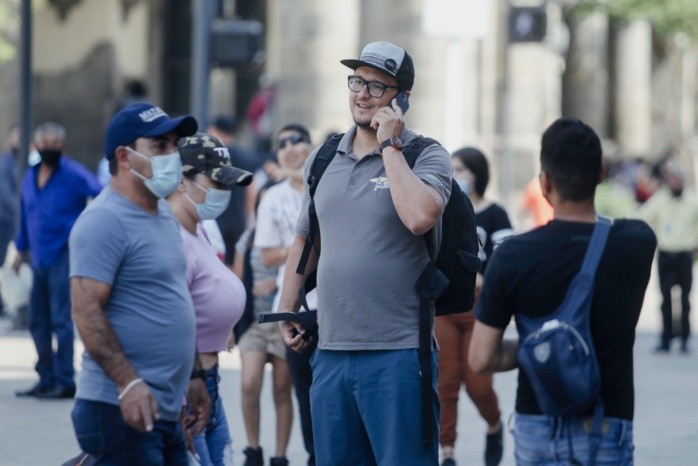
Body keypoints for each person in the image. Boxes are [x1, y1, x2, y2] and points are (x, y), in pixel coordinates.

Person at [276, 41, 452, 465]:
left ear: (402, 98)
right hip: (330, 351)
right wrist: (286, 307)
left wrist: (390, 147)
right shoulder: (323, 157)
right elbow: (307, 237)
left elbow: (419, 217)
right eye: (357, 82)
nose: (362, 94)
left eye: (377, 86)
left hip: (398, 354)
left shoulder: (426, 155)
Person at [469, 117, 657, 464]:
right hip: (606, 423)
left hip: (537, 425)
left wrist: (543, 346)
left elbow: (481, 358)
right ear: (601, 172)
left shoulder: (512, 255)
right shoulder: (637, 242)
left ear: (544, 183)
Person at [68, 102, 210, 464]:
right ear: (124, 156)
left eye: (174, 145)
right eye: (160, 146)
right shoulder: (104, 220)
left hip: (163, 408)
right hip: (120, 407)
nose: (172, 155)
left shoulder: (163, 213)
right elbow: (86, 312)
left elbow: (173, 297)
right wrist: (127, 383)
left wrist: (193, 375)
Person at [168, 133, 253, 465]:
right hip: (185, 391)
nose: (223, 192)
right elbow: (168, 323)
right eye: (214, 182)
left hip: (207, 385)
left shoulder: (198, 228)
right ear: (181, 181)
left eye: (226, 184)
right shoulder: (171, 238)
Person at [237, 123, 314, 466]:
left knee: (301, 388)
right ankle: (259, 451)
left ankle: (286, 456)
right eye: (281, 144)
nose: (289, 148)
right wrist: (305, 247)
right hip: (290, 305)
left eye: (297, 140)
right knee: (263, 384)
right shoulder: (273, 196)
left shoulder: (329, 182)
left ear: (312, 146)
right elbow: (265, 255)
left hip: (334, 299)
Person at [13, 122, 102, 399]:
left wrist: (80, 230)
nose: (49, 149)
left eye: (54, 144)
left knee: (61, 320)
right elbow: (26, 215)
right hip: (38, 257)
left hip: (63, 255)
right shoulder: (30, 176)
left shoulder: (74, 174)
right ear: (35, 146)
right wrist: (19, 249)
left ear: (63, 147)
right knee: (37, 320)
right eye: (44, 144)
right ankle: (45, 376)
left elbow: (101, 196)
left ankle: (65, 379)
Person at [436, 147, 512, 466]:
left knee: (478, 383)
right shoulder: (443, 206)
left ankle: (494, 425)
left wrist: (483, 276)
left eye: (462, 169)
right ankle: (447, 451)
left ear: (478, 173)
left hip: (481, 308)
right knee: (446, 381)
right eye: (451, 169)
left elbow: (507, 259)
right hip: (446, 306)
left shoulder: (495, 213)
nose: (456, 175)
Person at [639, 160, 698, 353]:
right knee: (665, 299)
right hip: (666, 255)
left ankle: (684, 338)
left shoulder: (692, 201)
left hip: (684, 255)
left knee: (685, 300)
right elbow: (643, 216)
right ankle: (666, 337)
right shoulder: (660, 200)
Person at [0, 123, 20, 316]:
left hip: (14, 220)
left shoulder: (24, 162)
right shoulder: (5, 163)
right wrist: (20, 214)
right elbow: (6, 195)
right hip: (5, 221)